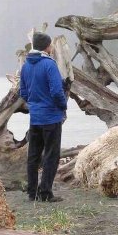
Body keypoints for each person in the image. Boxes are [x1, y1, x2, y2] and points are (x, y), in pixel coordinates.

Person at [19, 30, 67, 203]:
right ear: (47, 47)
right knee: (51, 155)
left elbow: (22, 91)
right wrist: (63, 106)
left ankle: (32, 193)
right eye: (50, 44)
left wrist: (33, 103)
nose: (52, 47)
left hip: (35, 117)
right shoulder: (49, 64)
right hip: (51, 117)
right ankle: (46, 192)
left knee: (33, 156)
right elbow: (56, 90)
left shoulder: (25, 65)